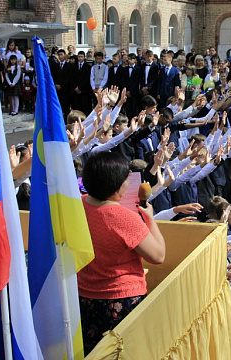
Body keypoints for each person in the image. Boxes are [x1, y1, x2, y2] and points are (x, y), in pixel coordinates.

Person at [79, 151, 166, 355]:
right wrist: (150, 219)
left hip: (85, 295)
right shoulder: (124, 218)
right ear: (116, 186)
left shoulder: (78, 205)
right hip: (122, 299)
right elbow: (158, 256)